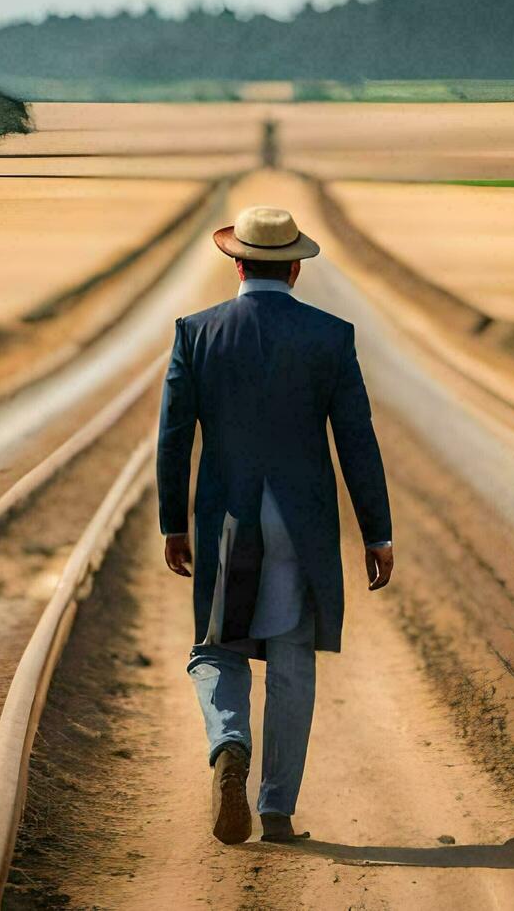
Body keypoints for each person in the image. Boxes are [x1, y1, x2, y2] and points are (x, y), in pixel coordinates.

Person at [156, 205, 394, 845]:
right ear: (295, 268)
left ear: (236, 263)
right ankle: (277, 810)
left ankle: (229, 744)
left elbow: (174, 439)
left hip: (227, 521)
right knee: (292, 661)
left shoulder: (196, 333)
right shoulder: (330, 337)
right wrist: (377, 533)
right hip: (301, 522)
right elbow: (357, 442)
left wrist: (172, 524)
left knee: (217, 649)